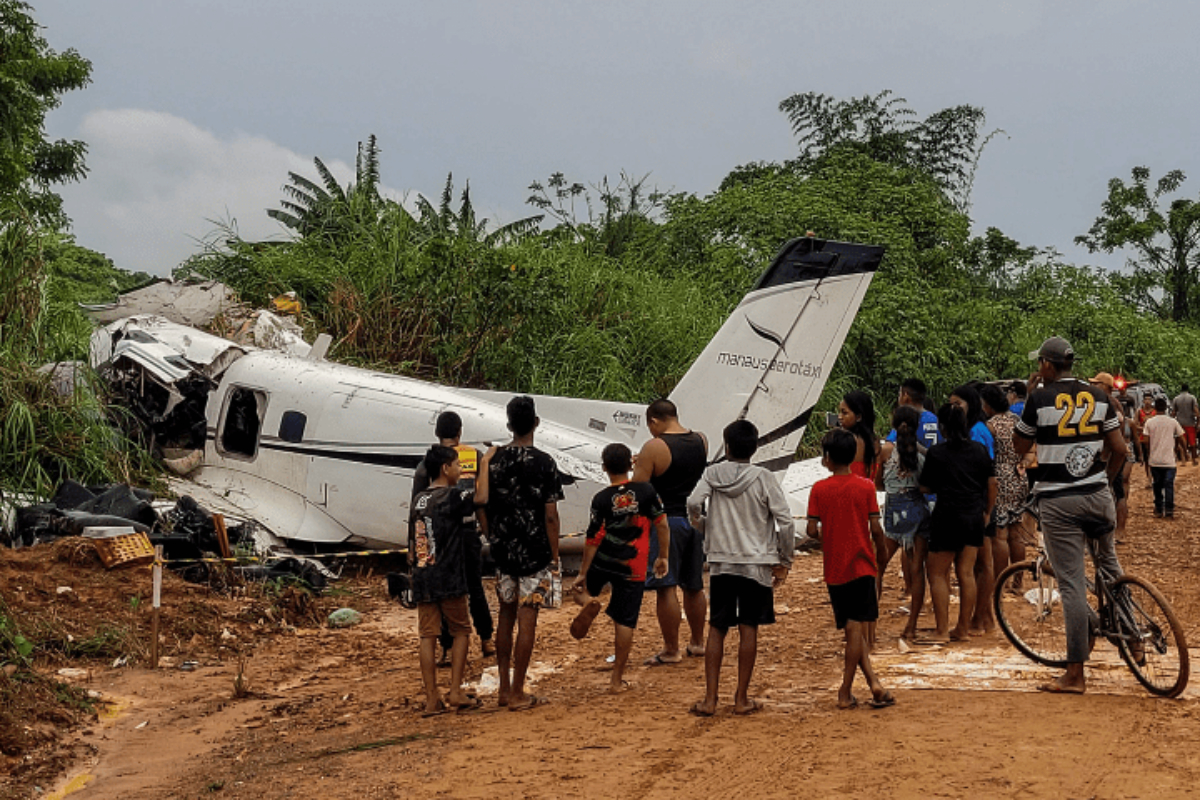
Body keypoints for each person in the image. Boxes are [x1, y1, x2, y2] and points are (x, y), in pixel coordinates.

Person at [1014, 336, 1126, 695]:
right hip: (1097, 495)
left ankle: (1075, 673)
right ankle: (1134, 636)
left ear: (1047, 365)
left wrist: (1031, 396)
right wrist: (1103, 483)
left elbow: (1020, 446)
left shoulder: (1040, 398)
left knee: (1072, 584)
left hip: (1059, 500)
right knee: (1110, 567)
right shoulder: (1099, 396)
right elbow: (1119, 449)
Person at [686, 420, 795, 716]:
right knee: (749, 628)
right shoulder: (764, 478)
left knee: (717, 627)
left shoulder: (712, 473)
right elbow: (785, 522)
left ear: (728, 446)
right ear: (755, 447)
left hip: (722, 562)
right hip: (756, 564)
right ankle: (741, 698)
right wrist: (784, 559)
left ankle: (710, 699)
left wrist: (704, 526)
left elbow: (694, 502)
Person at [484, 396, 564, 711]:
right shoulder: (545, 463)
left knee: (505, 614)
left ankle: (504, 687)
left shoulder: (494, 460)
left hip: (503, 548)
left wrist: (492, 534)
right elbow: (551, 515)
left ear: (508, 425)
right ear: (536, 423)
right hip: (535, 550)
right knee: (527, 618)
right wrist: (555, 554)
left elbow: (483, 502)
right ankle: (519, 690)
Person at [806, 428, 894, 710]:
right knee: (856, 630)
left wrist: (830, 535)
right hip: (863, 564)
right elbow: (876, 528)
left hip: (835, 567)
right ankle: (848, 689)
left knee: (851, 629)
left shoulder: (819, 489)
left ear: (827, 459)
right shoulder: (866, 486)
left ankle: (873, 684)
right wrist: (880, 552)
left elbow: (810, 529)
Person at [571, 444, 669, 694]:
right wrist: (662, 556)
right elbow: (662, 524)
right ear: (631, 465)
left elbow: (592, 537)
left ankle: (588, 602)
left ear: (604, 468)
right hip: (633, 566)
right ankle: (616, 681)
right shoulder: (646, 491)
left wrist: (583, 572)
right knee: (625, 621)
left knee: (580, 592)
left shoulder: (601, 498)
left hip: (604, 558)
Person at [410, 444, 490, 716]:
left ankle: (432, 697)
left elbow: (413, 538)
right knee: (460, 631)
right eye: (457, 465)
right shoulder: (452, 497)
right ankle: (455, 690)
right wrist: (485, 465)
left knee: (427, 636)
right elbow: (481, 497)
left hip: (423, 575)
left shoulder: (419, 499)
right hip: (449, 575)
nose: (459, 469)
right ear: (446, 468)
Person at [411, 411, 495, 662]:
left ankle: (447, 648)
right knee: (474, 587)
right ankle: (487, 639)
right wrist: (488, 534)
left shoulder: (428, 463)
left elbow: (417, 507)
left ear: (437, 433)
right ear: (460, 432)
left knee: (445, 591)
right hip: (467, 531)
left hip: (438, 537)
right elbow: (481, 502)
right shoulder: (474, 455)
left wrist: (414, 548)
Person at [632, 399, 708, 666]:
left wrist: (638, 466)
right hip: (695, 521)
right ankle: (698, 642)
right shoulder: (701, 440)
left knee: (666, 587)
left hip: (667, 523)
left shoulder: (654, 447)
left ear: (654, 421)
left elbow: (638, 490)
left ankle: (671, 649)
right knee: (694, 585)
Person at [918, 404, 995, 643]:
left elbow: (926, 486)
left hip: (947, 515)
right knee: (966, 572)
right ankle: (963, 627)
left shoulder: (937, 453)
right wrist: (987, 512)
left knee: (938, 573)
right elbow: (992, 483)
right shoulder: (980, 450)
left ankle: (942, 629)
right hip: (973, 515)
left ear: (942, 427)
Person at [876, 406, 929, 641]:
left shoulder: (886, 451)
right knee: (917, 571)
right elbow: (927, 486)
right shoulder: (923, 455)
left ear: (893, 424)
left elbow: (878, 484)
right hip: (917, 511)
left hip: (893, 513)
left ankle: (869, 626)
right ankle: (912, 625)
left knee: (878, 566)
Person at [949, 384, 996, 635]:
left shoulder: (977, 432)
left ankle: (980, 616)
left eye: (958, 404)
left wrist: (984, 509)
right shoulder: (974, 428)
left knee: (983, 562)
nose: (954, 409)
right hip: (978, 501)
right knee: (979, 563)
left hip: (978, 503)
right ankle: (984, 615)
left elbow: (982, 472)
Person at [980, 384, 1028, 609]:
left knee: (1000, 534)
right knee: (1016, 532)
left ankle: (1000, 580)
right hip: (1019, 475)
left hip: (1000, 477)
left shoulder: (991, 426)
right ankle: (1018, 581)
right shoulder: (1017, 421)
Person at [1090, 372, 1134, 540]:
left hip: (1113, 455)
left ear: (1106, 387)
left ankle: (1119, 530)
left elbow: (1116, 433)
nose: (1093, 386)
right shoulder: (1105, 402)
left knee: (1116, 490)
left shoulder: (1111, 403)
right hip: (1108, 454)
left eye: (1097, 383)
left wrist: (1111, 456)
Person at [1144, 396, 1185, 518]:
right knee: (1169, 485)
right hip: (1169, 461)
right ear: (1166, 408)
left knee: (1156, 484)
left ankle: (1158, 507)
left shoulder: (1149, 422)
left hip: (1155, 460)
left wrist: (1150, 450)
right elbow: (1182, 436)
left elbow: (1145, 440)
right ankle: (1169, 509)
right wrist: (1183, 450)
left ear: (1154, 408)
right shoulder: (1172, 422)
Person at [839, 390, 881, 480]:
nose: (839, 417)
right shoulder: (875, 442)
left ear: (858, 417)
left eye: (844, 413)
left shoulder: (847, 441)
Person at [1171, 383, 1199, 466]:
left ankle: (1183, 460)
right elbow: (1196, 411)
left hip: (1179, 423)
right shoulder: (1192, 398)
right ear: (1188, 389)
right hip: (1190, 423)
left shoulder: (1176, 399)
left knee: (1181, 443)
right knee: (1192, 443)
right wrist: (1197, 423)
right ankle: (1194, 460)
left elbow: (1173, 412)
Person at [1136, 392, 1157, 483]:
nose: (1147, 401)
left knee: (1154, 458)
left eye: (1149, 400)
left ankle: (1155, 477)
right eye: (1146, 399)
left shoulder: (1155, 412)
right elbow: (1135, 424)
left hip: (1155, 438)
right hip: (1143, 438)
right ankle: (1149, 477)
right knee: (1146, 459)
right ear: (1143, 401)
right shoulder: (1139, 411)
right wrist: (1143, 429)